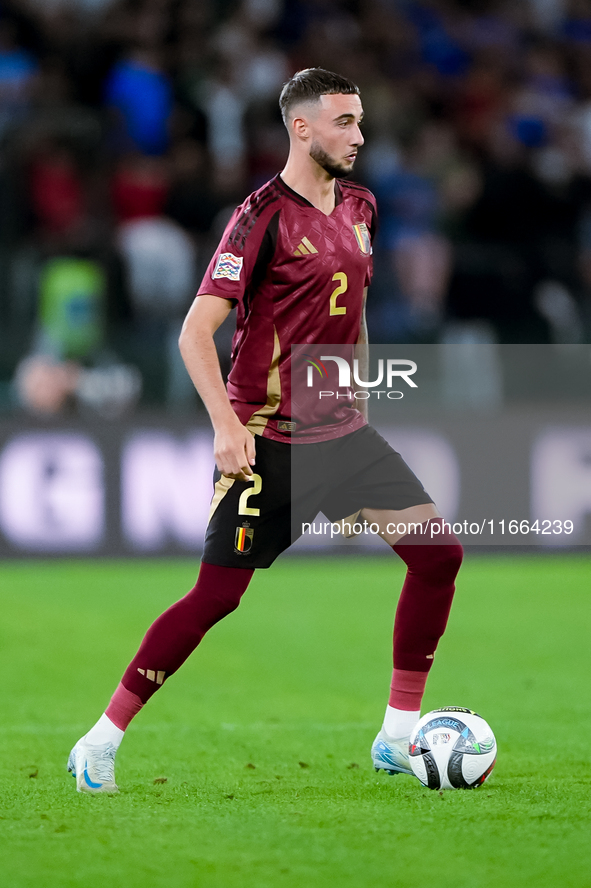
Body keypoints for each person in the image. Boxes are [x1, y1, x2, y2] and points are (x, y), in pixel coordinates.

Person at [67, 68, 463, 794]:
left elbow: (356, 320)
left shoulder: (362, 207)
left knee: (438, 556)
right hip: (265, 439)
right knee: (216, 598)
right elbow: (195, 333)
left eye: (360, 119)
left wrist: (360, 426)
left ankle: (397, 734)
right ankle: (100, 739)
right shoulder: (260, 217)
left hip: (341, 436)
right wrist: (223, 427)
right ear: (301, 128)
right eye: (344, 121)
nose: (359, 135)